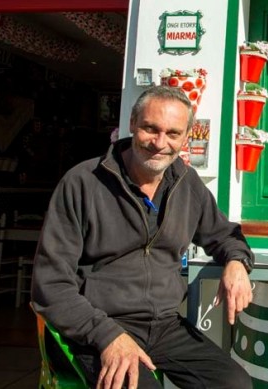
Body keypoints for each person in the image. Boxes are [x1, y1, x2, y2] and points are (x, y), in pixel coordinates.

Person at [31, 86, 254, 389]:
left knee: (233, 384)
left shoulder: (187, 184)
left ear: (186, 137)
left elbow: (224, 234)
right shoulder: (82, 182)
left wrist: (237, 261)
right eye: (151, 128)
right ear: (133, 123)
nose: (160, 143)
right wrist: (107, 335)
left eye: (173, 134)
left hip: (163, 325)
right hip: (97, 326)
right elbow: (50, 285)